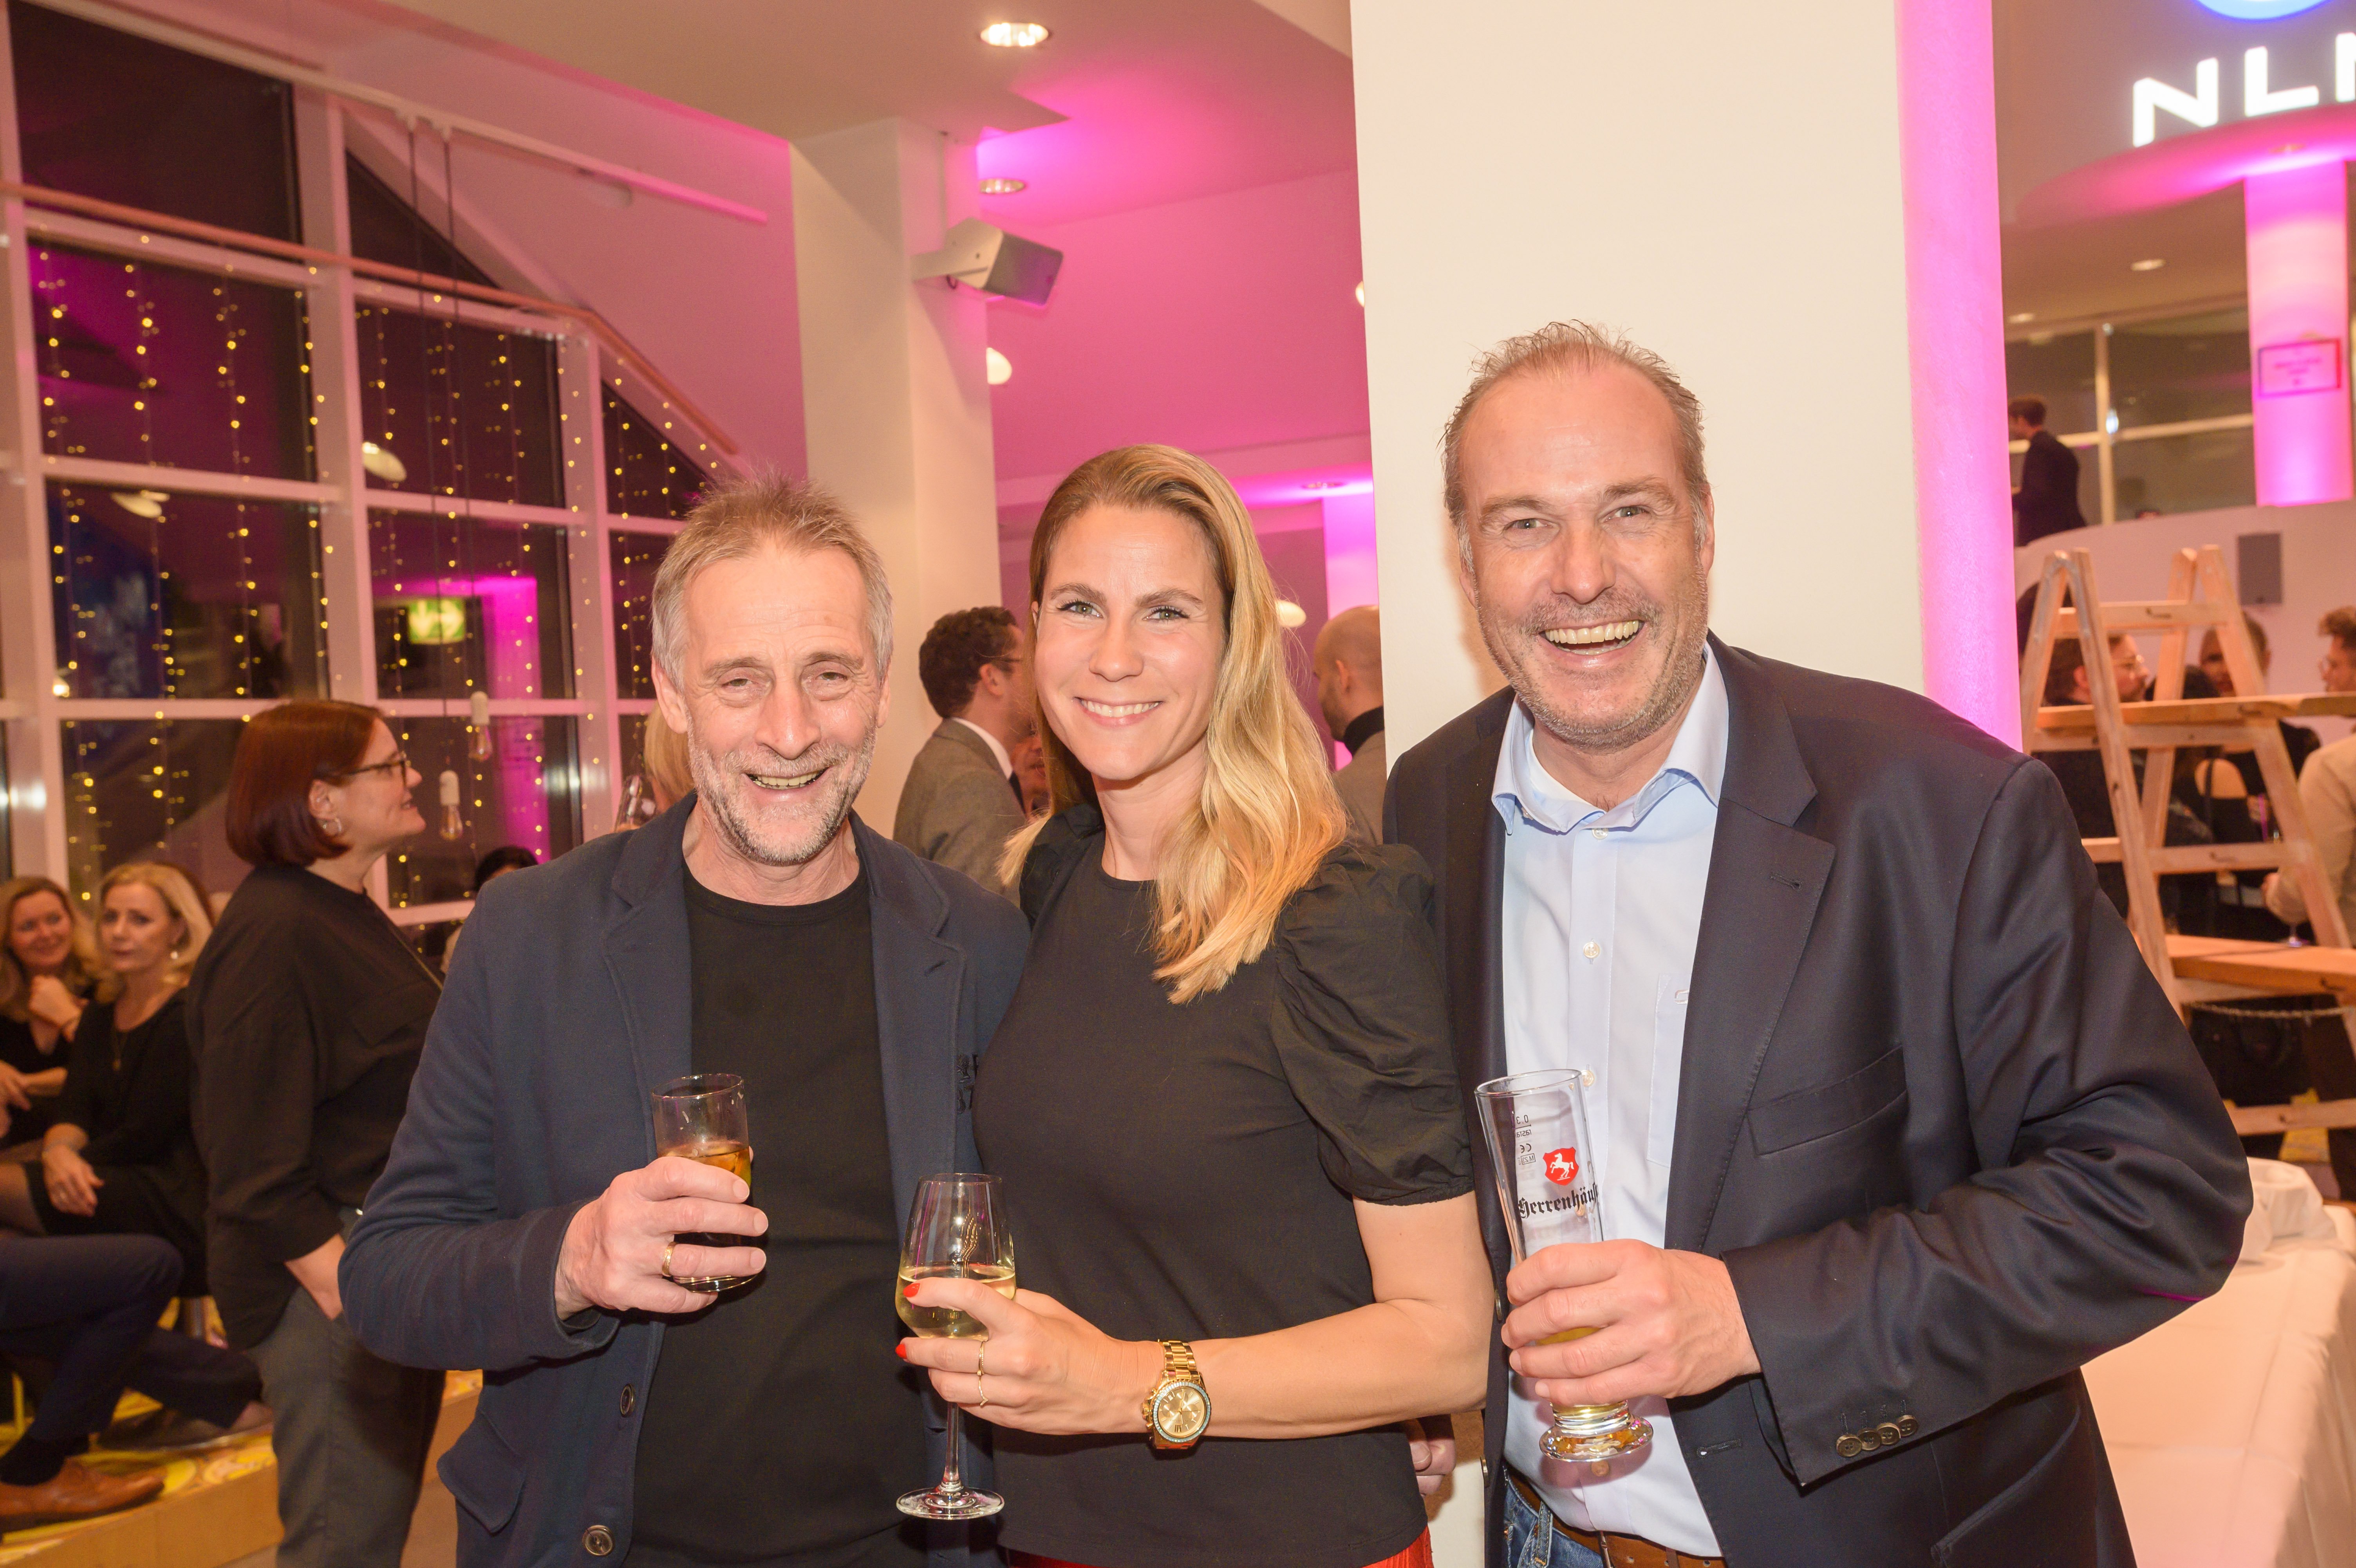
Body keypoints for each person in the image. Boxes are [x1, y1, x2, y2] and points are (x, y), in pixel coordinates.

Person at [1384, 323, 2248, 1568]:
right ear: (1466, 558)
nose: (1580, 574)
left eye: (1629, 511)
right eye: (1523, 523)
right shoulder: (1429, 803)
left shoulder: (1939, 805)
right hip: (1540, 1539)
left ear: (1702, 529)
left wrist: (1752, 1316)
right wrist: (1417, 1364)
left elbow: (2158, 1196)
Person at [340, 475, 1029, 1568]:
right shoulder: (535, 935)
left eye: (828, 675)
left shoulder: (981, 942)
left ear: (880, 684)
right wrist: (574, 1257)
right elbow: (386, 1279)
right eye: (738, 680)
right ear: (670, 690)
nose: (789, 731)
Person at [900, 446, 1487, 1568]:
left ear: (1235, 644)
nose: (1115, 654)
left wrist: (1127, 1383)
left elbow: (1450, 1342)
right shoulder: (1051, 877)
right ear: (1035, 633)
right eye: (1081, 606)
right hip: (1053, 1536)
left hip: (1292, 1542)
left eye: (1165, 611)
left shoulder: (1333, 913)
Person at [185, 701, 446, 1568]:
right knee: (343, 1541)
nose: (412, 777)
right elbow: (250, 1161)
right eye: (391, 765)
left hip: (372, 1258)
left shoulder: (337, 906)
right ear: (322, 802)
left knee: (369, 1529)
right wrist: (350, 1292)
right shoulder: (274, 933)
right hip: (323, 1278)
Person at [0, 864, 211, 1296]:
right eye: (110, 918)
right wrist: (59, 1152)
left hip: (174, 1196)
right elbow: (74, 1106)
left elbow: (144, 1134)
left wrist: (61, 1162)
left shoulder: (189, 1012)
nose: (119, 932)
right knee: (12, 1251)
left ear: (177, 930)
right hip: (104, 1177)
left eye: (139, 920)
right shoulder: (101, 1011)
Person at [894, 606, 1034, 896]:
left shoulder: (944, 759)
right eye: (1028, 662)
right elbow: (984, 923)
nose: (1039, 674)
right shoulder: (974, 785)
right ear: (993, 679)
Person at [0, 879, 98, 1159]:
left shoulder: (104, 985)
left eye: (54, 920)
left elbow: (106, 1069)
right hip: (15, 1140)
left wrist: (21, 1082)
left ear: (72, 922)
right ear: (7, 938)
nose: (45, 934)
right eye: (28, 927)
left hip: (88, 1137)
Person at [1313, 605, 1388, 843]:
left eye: (1320, 677)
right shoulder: (1438, 759)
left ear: (1342, 676)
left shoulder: (1338, 799)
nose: (1319, 694)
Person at [2010, 394, 2085, 546]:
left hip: (2047, 536)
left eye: (2011, 422)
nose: (2010, 429)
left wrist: (2006, 499)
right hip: (2067, 529)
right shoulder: (2058, 448)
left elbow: (2037, 495)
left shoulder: (2039, 450)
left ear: (2021, 420)